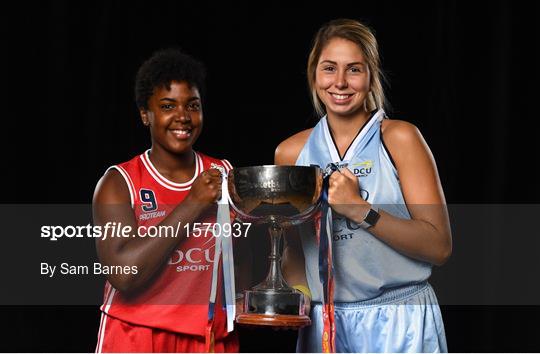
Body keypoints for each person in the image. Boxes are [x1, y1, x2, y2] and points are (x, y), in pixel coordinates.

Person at [275, 19, 452, 352]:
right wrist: (289, 296)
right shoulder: (291, 152)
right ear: (314, 74)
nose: (340, 82)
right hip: (325, 323)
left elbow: (439, 246)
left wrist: (359, 209)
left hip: (399, 319)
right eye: (329, 69)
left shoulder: (400, 138)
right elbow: (295, 252)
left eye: (354, 69)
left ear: (371, 76)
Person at [93, 48, 240, 352]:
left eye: (193, 105)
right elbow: (124, 275)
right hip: (138, 335)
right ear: (145, 114)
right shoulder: (120, 182)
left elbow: (243, 269)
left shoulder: (224, 174)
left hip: (208, 336)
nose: (183, 117)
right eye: (167, 105)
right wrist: (193, 203)